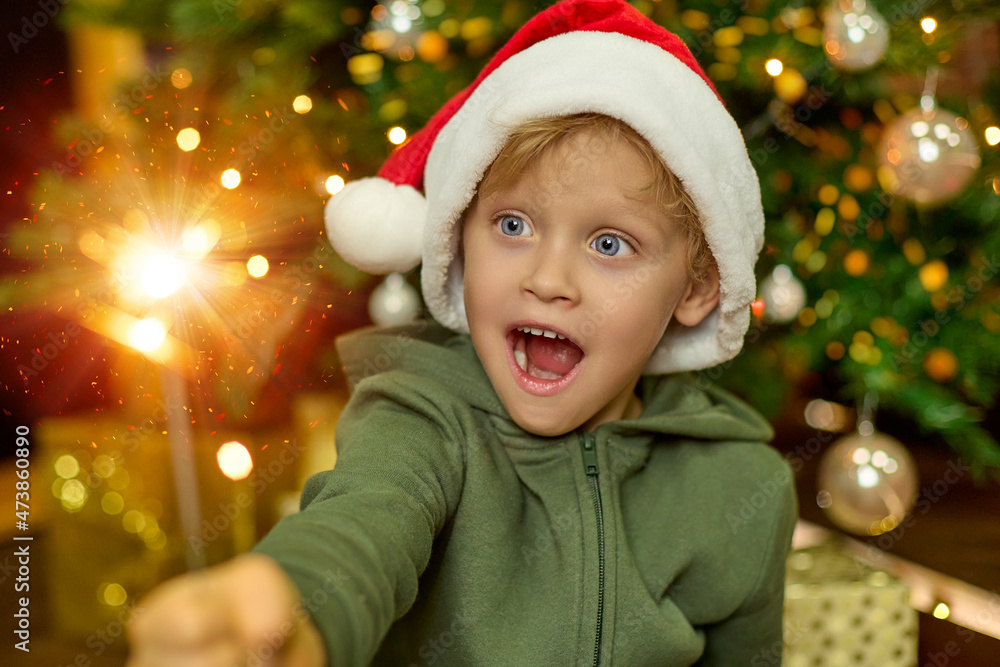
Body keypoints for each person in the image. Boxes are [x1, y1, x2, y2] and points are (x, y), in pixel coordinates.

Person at [126, 1, 797, 665]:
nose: (548, 277)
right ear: (458, 237)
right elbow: (357, 534)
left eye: (610, 243)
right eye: (513, 226)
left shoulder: (740, 485)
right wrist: (284, 612)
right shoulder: (423, 421)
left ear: (698, 285)